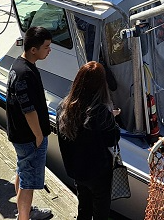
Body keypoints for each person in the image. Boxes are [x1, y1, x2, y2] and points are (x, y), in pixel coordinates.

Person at [57, 62, 121, 220]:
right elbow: (112, 139)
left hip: (76, 170)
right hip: (98, 172)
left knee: (83, 206)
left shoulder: (63, 107)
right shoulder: (100, 112)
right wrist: (112, 118)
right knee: (101, 211)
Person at [7, 26, 55, 220]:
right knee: (29, 181)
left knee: (22, 171)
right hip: (28, 136)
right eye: (46, 47)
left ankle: (25, 212)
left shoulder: (18, 65)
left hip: (19, 134)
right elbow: (29, 110)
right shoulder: (25, 73)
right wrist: (38, 135)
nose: (49, 50)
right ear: (33, 49)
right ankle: (24, 217)